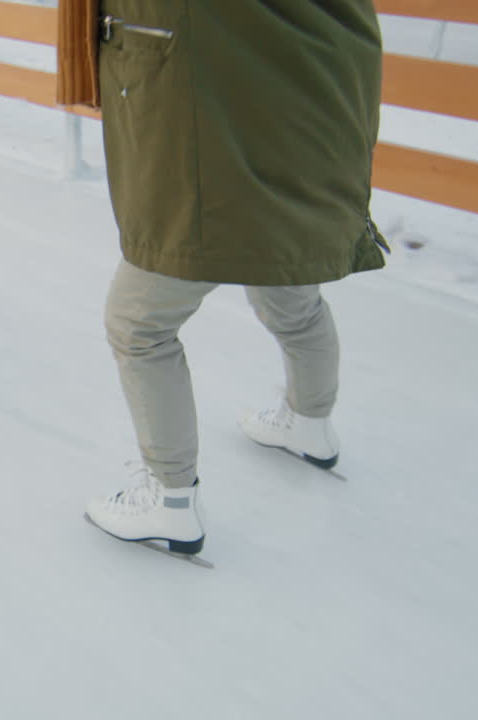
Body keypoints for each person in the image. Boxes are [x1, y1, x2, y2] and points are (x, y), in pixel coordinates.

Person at [83, 1, 390, 555]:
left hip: (214, 149)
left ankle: (170, 501)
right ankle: (309, 422)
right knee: (287, 285)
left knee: (139, 324)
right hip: (306, 141)